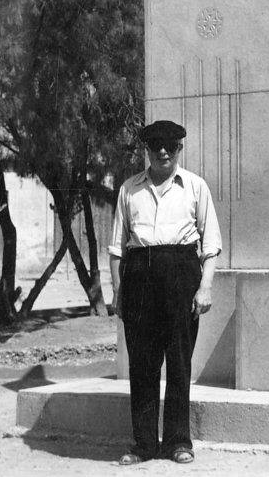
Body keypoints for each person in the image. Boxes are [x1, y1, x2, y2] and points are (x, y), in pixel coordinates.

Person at [109, 120, 222, 465]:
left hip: (181, 274)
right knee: (142, 365)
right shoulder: (129, 190)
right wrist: (118, 293)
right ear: (147, 149)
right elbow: (117, 249)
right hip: (140, 276)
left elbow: (211, 243)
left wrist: (204, 287)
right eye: (156, 145)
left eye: (169, 146)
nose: (162, 152)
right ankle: (143, 443)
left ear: (179, 150)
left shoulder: (195, 187)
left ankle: (177, 442)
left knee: (178, 363)